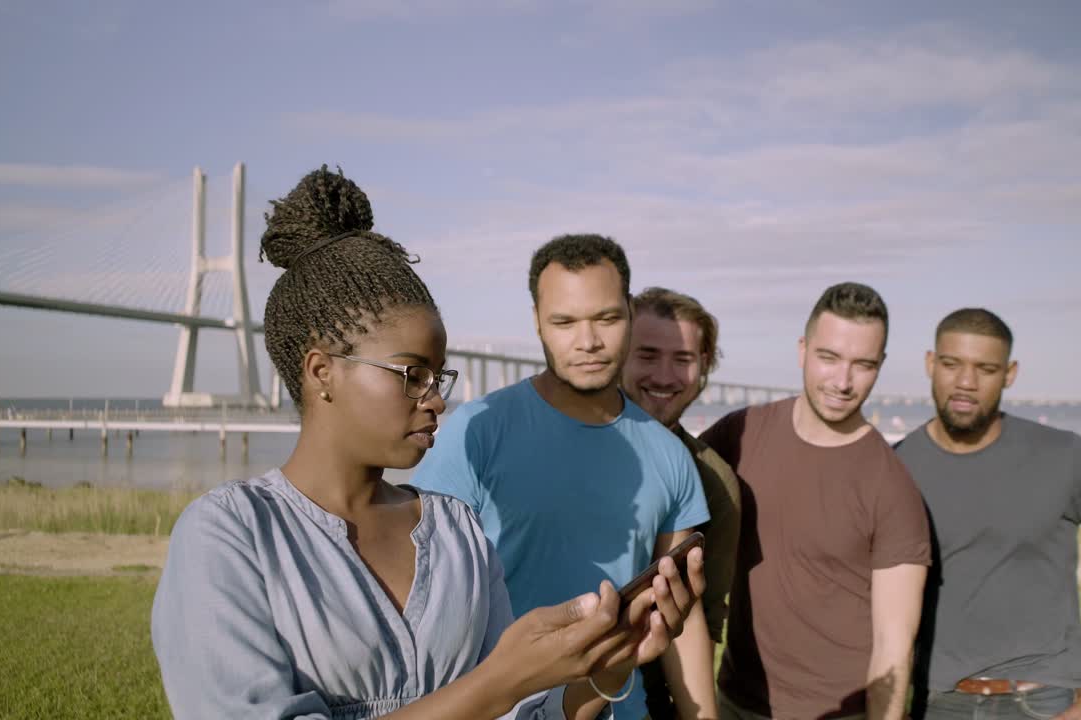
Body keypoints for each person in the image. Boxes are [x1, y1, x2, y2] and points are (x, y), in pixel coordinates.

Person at [151, 166, 706, 720]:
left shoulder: (457, 530)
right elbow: (495, 693)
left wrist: (603, 666)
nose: (436, 399)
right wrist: (500, 680)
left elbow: (519, 715)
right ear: (321, 371)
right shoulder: (230, 535)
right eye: (411, 373)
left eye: (438, 377)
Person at [414, 235, 718, 720]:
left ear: (631, 316)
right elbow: (418, 586)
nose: (588, 341)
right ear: (536, 321)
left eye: (607, 319)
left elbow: (682, 611)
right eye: (564, 322)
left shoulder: (670, 456)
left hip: (620, 707)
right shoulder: (477, 429)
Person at [895, 308, 1081, 720]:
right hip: (936, 704)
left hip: (1042, 703)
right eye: (951, 364)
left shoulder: (1065, 457)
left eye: (986, 369)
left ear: (1009, 374)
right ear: (930, 363)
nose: (966, 382)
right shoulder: (894, 469)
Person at [701, 282, 931, 720]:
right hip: (735, 703)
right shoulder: (741, 433)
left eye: (862, 365)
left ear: (879, 366)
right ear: (803, 349)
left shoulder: (892, 487)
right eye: (829, 358)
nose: (843, 382)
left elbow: (893, 648)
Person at [620, 286, 741, 720]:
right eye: (648, 356)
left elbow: (702, 621)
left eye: (684, 359)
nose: (666, 376)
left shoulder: (716, 484)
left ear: (705, 366)